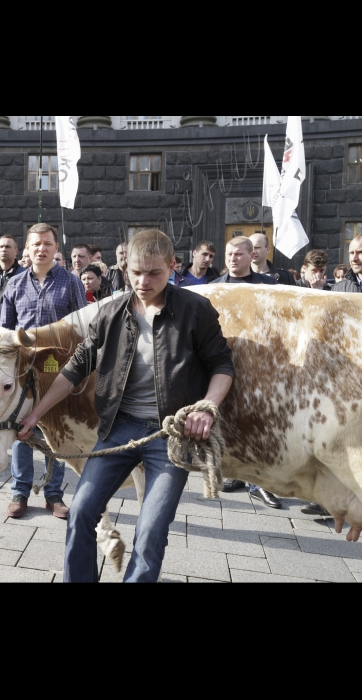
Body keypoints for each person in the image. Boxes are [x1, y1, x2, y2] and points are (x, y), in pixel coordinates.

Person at [18, 229, 234, 582]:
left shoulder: (195, 311)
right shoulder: (111, 311)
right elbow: (74, 368)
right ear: (124, 269)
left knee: (150, 532)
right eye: (135, 272)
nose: (143, 281)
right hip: (119, 427)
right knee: (82, 513)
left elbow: (223, 365)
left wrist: (205, 407)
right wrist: (35, 414)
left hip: (170, 435)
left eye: (154, 273)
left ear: (172, 266)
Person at [1, 223, 86, 520]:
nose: (41, 248)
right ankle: (20, 492)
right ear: (27, 249)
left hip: (57, 370)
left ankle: (54, 494)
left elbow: (80, 328)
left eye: (47, 243)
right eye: (36, 244)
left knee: (54, 430)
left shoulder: (71, 282)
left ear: (56, 248)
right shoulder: (14, 284)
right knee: (22, 430)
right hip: (24, 370)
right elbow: (6, 334)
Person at [210, 237, 280, 508]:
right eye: (229, 254)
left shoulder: (269, 287)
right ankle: (235, 473)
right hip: (223, 364)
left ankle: (259, 483)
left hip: (260, 367)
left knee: (258, 423)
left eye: (238, 254)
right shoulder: (214, 288)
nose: (232, 258)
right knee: (227, 420)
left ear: (251, 256)